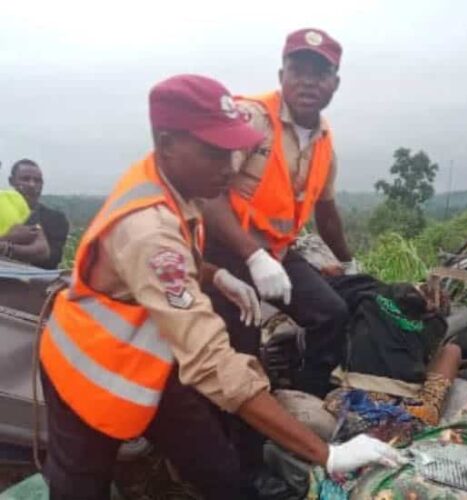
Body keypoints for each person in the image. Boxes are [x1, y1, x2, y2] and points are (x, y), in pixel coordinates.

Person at [38, 74, 402, 500]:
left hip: (154, 359)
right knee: (82, 482)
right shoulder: (147, 229)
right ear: (168, 141)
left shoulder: (171, 180)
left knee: (216, 465)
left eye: (233, 150)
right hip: (88, 367)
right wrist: (327, 454)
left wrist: (216, 276)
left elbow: (178, 254)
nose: (230, 167)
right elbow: (211, 360)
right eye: (214, 152)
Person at [202, 28, 357, 398]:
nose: (307, 81)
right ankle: (245, 435)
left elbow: (327, 211)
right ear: (281, 76)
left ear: (335, 83)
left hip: (277, 253)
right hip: (225, 248)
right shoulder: (251, 120)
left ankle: (303, 400)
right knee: (241, 348)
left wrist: (350, 264)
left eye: (319, 73)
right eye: (297, 70)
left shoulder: (323, 142)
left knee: (331, 314)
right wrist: (252, 255)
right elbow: (207, 196)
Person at [6, 159, 69, 268]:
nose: (32, 185)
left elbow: (51, 258)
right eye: (25, 179)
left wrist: (7, 247)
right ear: (11, 181)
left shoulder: (55, 219)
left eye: (37, 180)